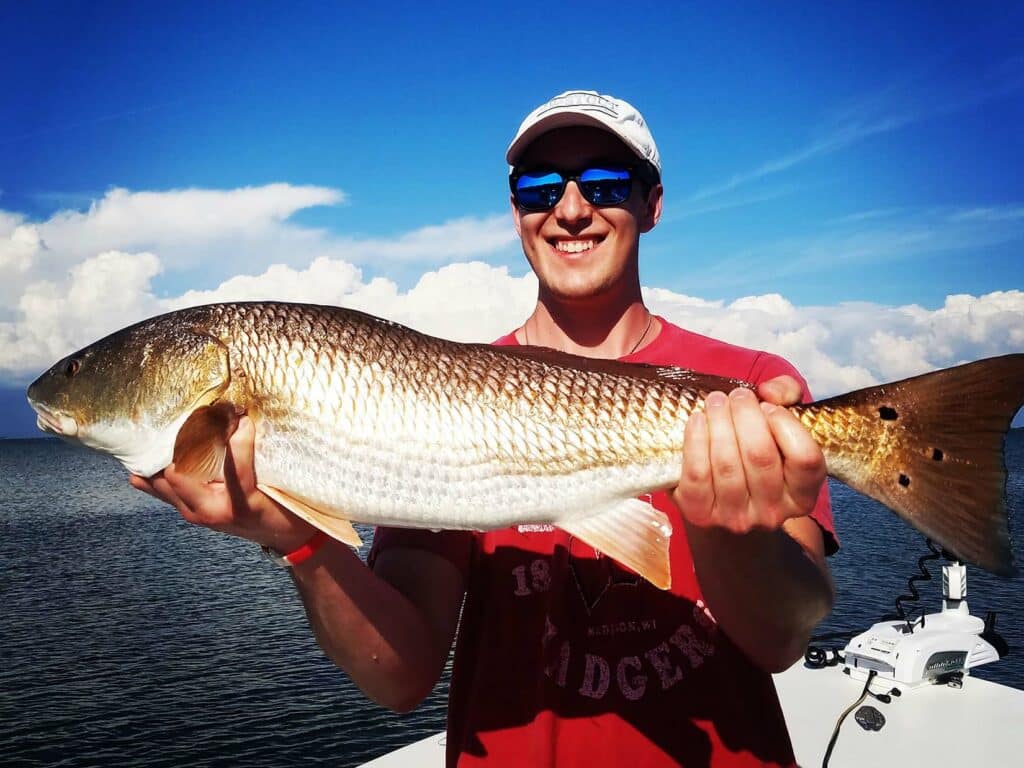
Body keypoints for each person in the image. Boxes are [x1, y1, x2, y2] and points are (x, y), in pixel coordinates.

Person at [132, 90, 837, 767]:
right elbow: (401, 677)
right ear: (514, 212)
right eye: (539, 188)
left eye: (604, 183)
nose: (570, 210)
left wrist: (730, 535)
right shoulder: (423, 398)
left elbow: (783, 637)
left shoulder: (750, 388)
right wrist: (299, 541)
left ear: (651, 206)